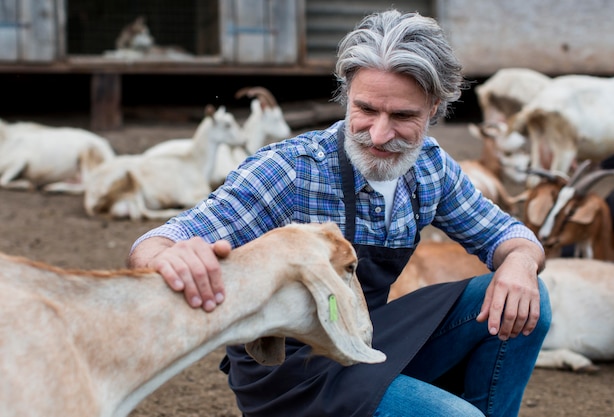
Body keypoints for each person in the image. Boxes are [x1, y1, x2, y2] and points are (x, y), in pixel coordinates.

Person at [129, 9, 551, 417]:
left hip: (365, 335)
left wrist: (519, 261)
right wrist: (167, 256)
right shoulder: (291, 170)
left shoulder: (429, 167)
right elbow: (157, 243)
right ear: (347, 95)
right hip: (294, 371)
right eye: (366, 109)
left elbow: (507, 235)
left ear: (435, 108)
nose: (380, 134)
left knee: (532, 299)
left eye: (403, 116)